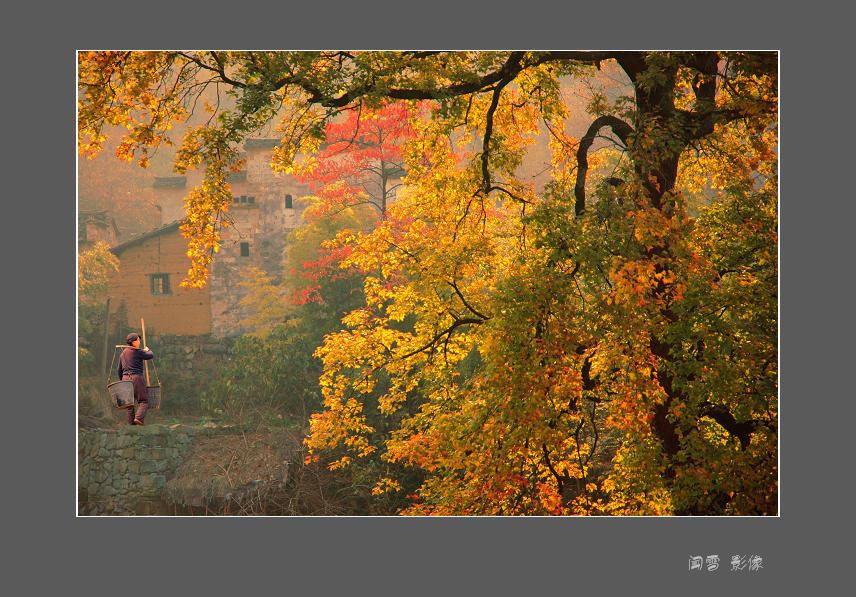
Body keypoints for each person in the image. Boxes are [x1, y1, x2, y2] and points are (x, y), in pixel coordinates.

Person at [118, 332, 154, 425]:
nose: (139, 342)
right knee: (143, 401)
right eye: (138, 340)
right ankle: (138, 418)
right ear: (133, 342)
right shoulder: (138, 351)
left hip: (125, 379)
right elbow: (150, 355)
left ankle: (131, 425)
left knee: (129, 404)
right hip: (136, 378)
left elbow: (119, 370)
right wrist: (147, 349)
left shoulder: (123, 354)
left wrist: (123, 382)